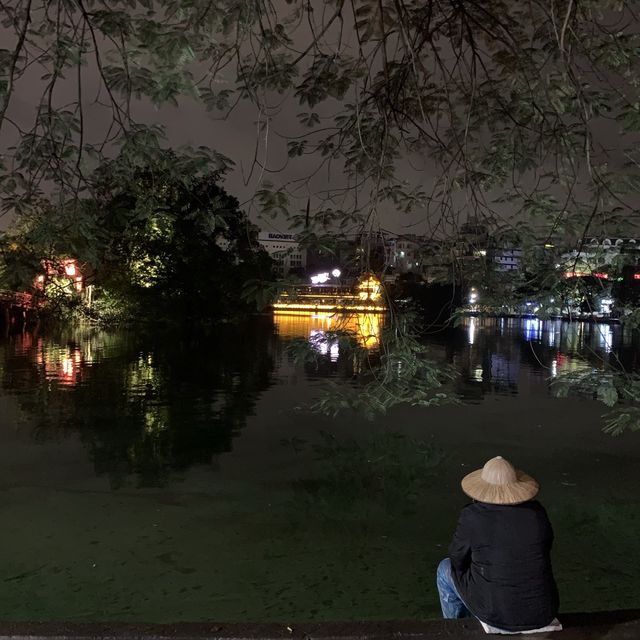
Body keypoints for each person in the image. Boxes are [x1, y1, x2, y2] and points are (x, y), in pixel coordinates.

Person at [436, 456, 559, 632]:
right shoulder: (537, 513)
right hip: (542, 613)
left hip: (497, 614)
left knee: (444, 569)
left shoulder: (473, 516)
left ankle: (456, 631)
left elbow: (456, 558)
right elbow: (543, 550)